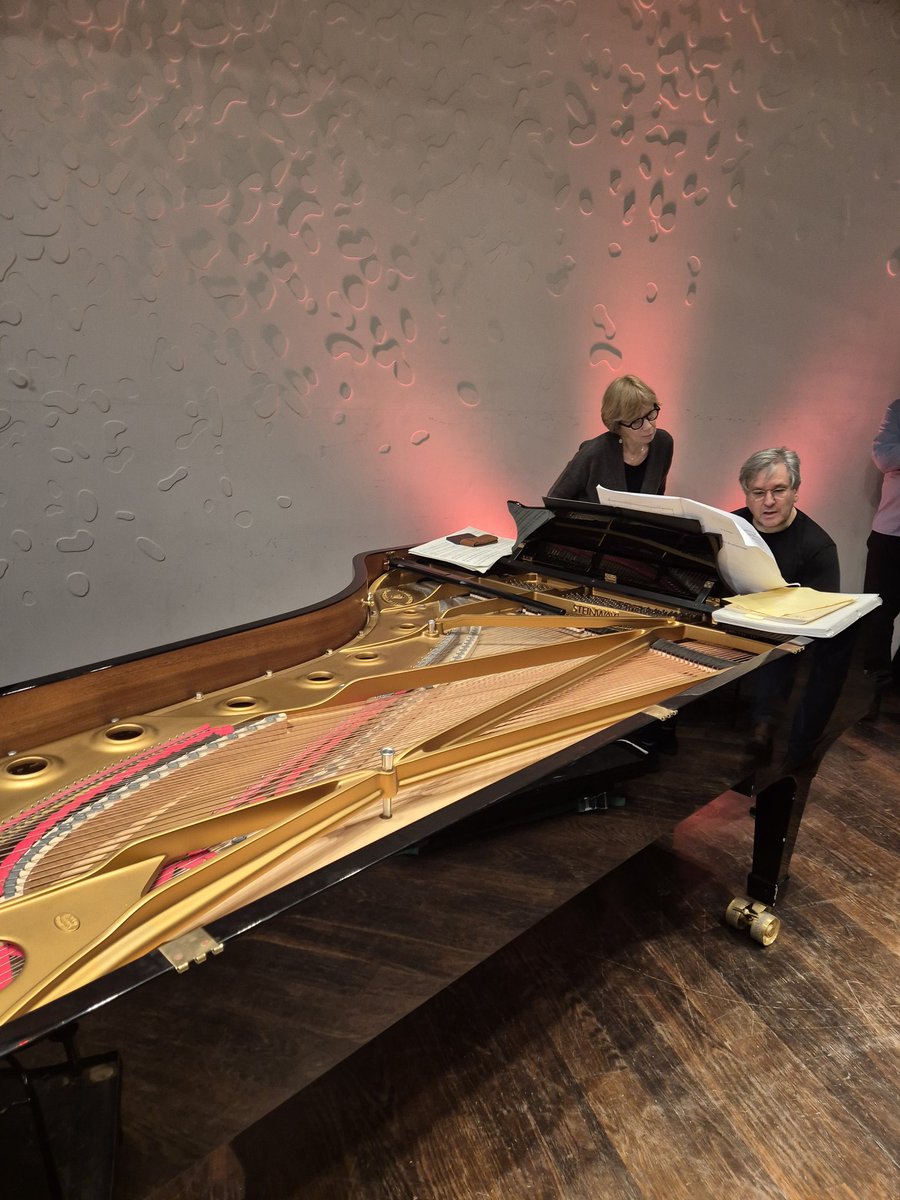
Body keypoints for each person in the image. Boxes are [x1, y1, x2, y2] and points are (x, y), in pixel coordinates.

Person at [732, 447, 847, 767]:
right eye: (758, 492)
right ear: (746, 493)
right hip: (732, 618)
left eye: (778, 490)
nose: (768, 502)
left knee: (782, 649)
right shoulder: (731, 526)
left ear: (795, 491)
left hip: (785, 631)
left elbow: (821, 618)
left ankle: (764, 729)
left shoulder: (817, 547)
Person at [548, 374, 673, 501]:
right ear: (617, 425)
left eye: (651, 414)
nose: (648, 426)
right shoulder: (593, 453)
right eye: (636, 421)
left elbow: (657, 499)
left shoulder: (663, 444)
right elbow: (555, 500)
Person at [862, 400, 900, 700]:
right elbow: (885, 456)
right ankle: (874, 681)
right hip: (890, 535)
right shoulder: (898, 409)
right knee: (878, 613)